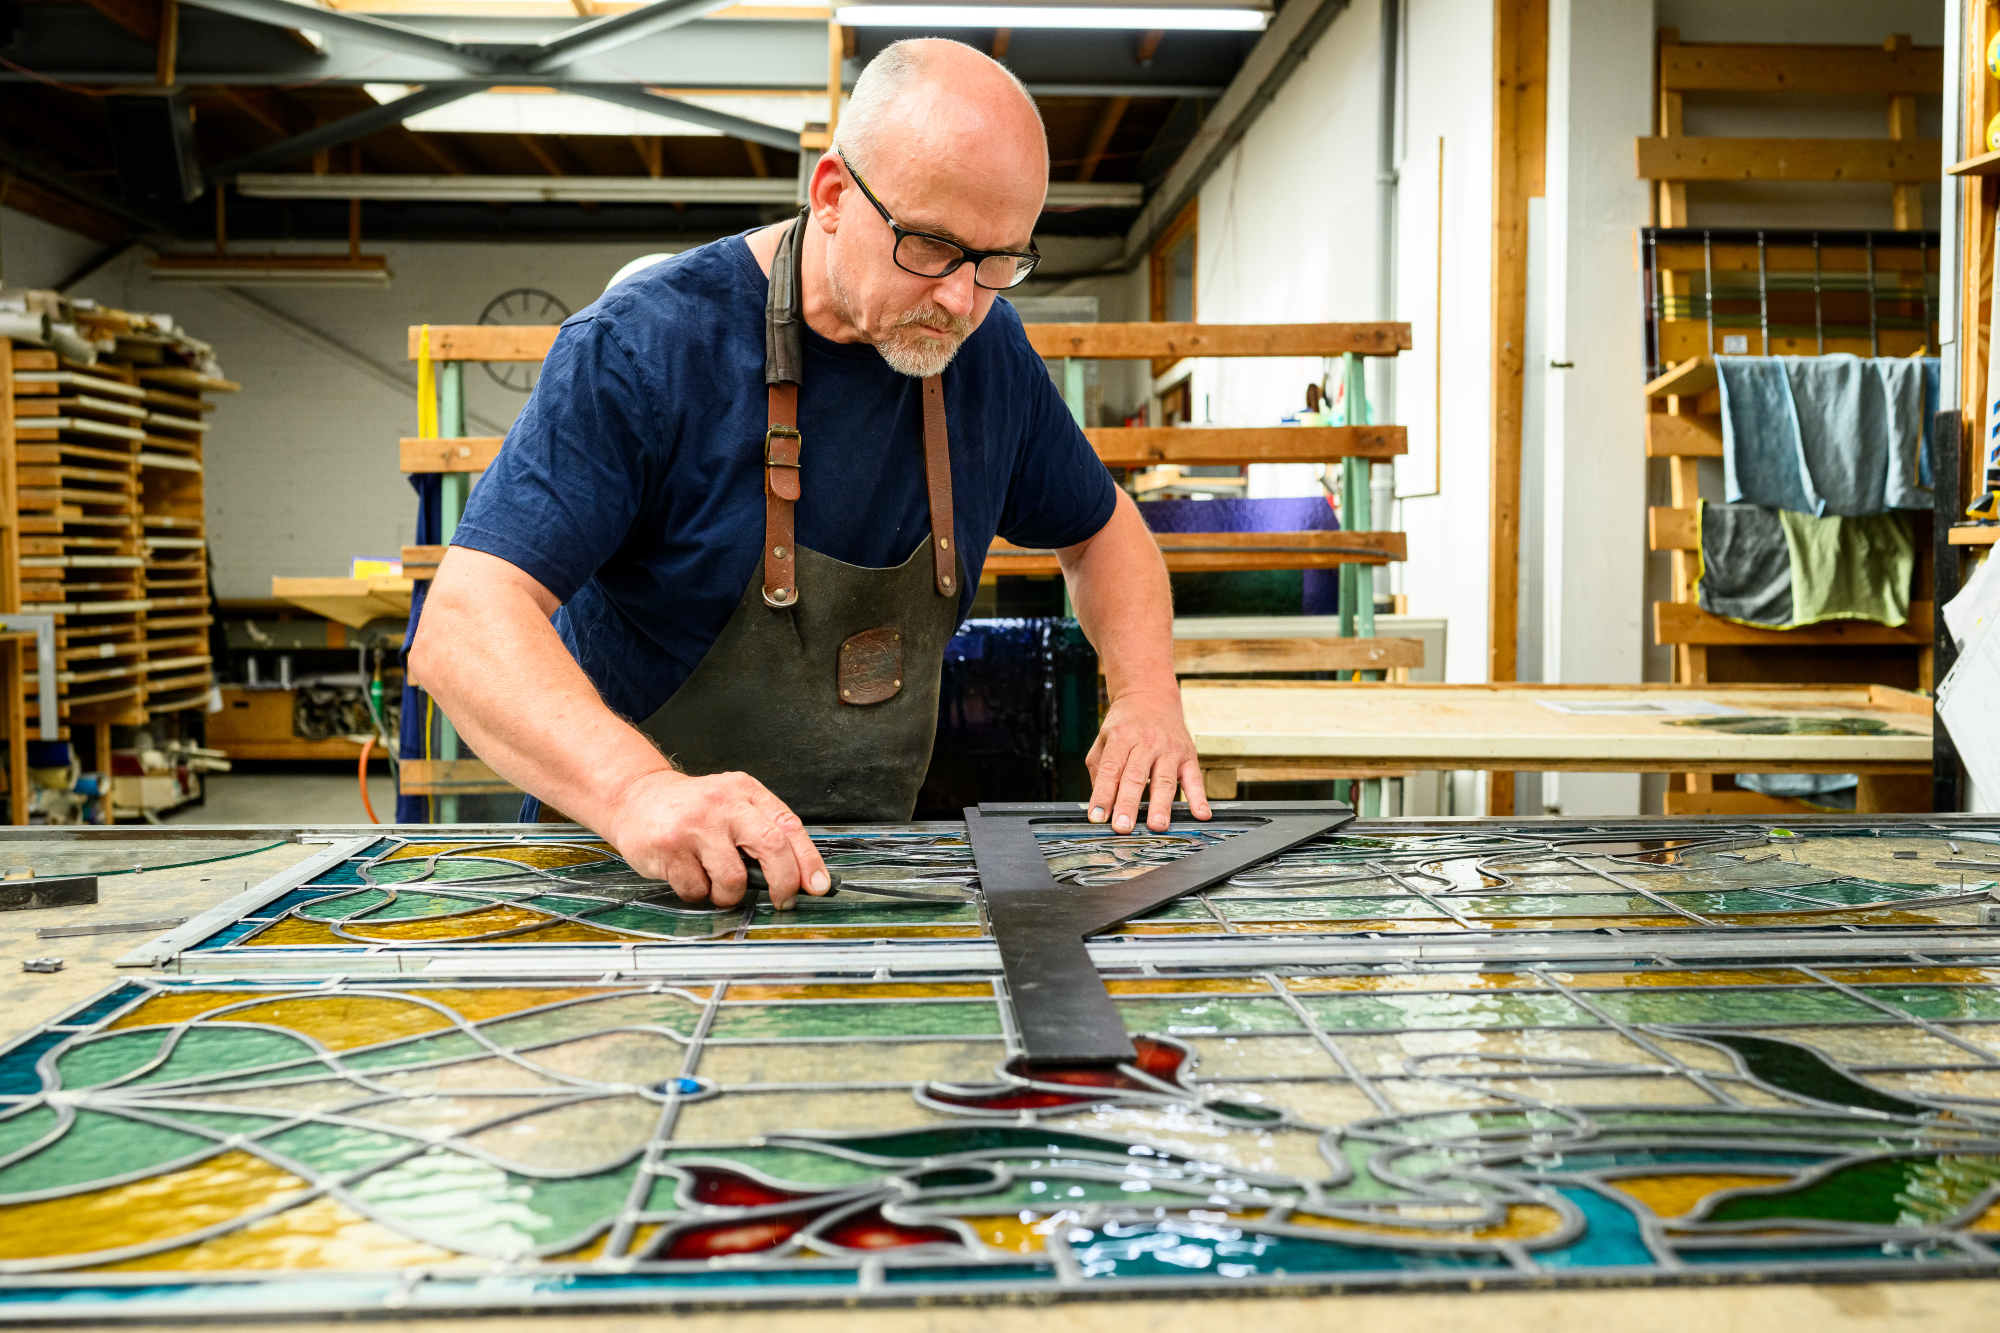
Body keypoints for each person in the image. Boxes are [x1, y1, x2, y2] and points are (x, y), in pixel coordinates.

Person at [409, 37, 1209, 913]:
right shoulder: (647, 348)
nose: (960, 300)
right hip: (633, 887)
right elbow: (464, 626)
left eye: (999, 262)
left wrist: (1145, 694)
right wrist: (638, 791)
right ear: (833, 195)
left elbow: (1103, 533)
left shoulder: (989, 355)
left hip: (862, 879)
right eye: (934, 248)